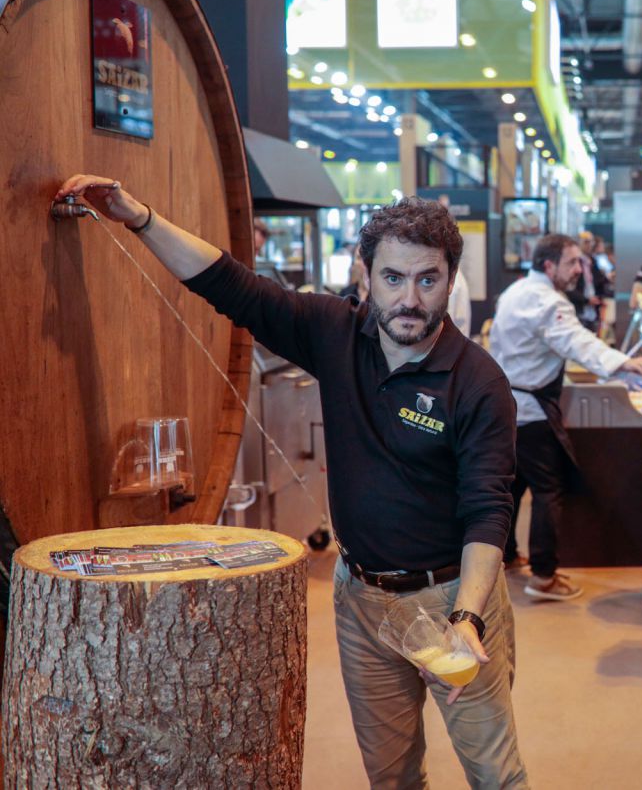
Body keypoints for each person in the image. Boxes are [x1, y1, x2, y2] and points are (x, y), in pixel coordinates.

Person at [54, 176, 528, 788]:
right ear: (366, 275)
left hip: (451, 599)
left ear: (451, 279)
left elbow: (489, 509)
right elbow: (230, 285)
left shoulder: (479, 382)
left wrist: (468, 617)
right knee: (391, 777)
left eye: (427, 279)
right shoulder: (336, 332)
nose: (410, 299)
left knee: (495, 774)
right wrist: (139, 217)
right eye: (393, 278)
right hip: (362, 601)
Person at [490, 234, 642, 601]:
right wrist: (624, 363)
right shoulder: (548, 302)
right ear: (549, 265)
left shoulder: (515, 292)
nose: (579, 270)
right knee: (549, 490)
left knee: (514, 484)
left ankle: (505, 555)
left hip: (508, 407)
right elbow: (577, 342)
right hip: (532, 412)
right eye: (572, 262)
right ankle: (543, 577)